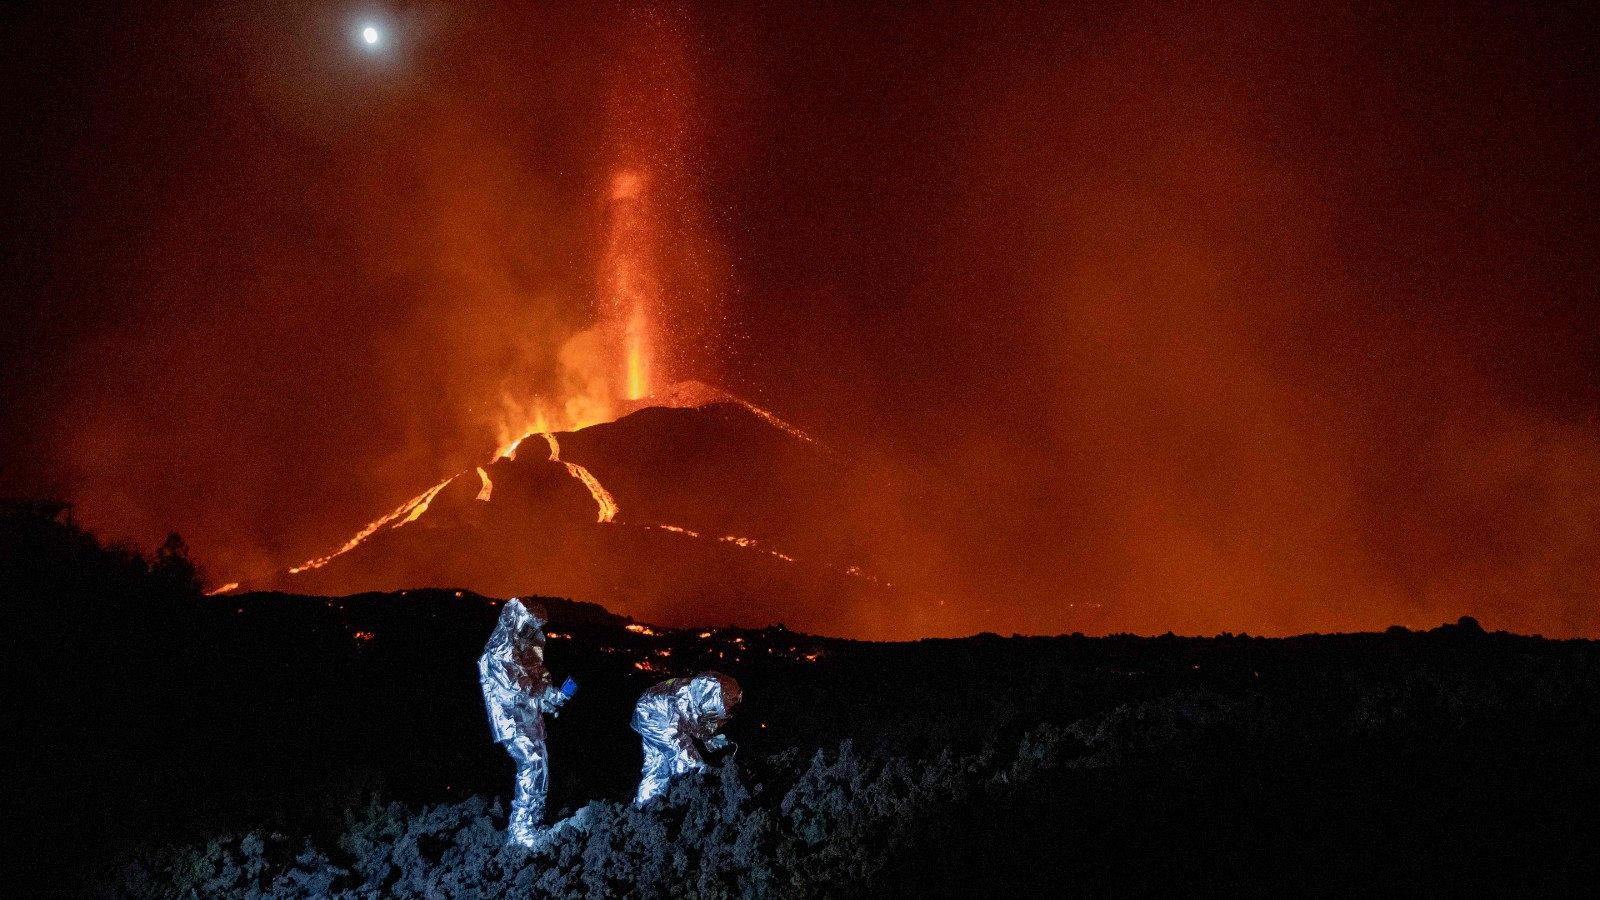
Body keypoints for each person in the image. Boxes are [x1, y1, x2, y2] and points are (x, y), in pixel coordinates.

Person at [478, 597, 571, 847]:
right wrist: (543, 694)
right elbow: (516, 686)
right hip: (512, 721)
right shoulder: (499, 650)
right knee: (532, 763)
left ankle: (531, 824)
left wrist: (549, 698)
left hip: (530, 720)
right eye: (529, 626)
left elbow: (537, 680)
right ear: (516, 621)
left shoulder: (527, 648)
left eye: (536, 627)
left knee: (540, 767)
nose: (533, 632)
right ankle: (521, 830)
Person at [631, 671, 741, 805]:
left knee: (661, 761)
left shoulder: (699, 696)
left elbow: (698, 721)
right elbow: (677, 741)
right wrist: (698, 767)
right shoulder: (674, 706)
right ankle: (649, 804)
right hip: (653, 714)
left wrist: (710, 739)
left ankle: (650, 802)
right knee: (665, 762)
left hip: (657, 709)